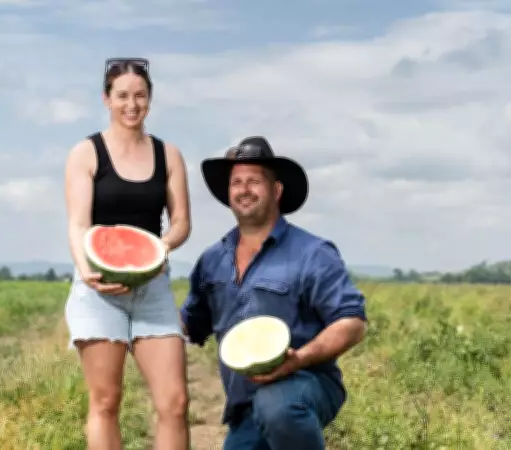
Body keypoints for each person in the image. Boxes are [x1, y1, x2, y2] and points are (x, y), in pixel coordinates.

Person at [179, 136, 368, 449]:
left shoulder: (312, 252)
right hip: (245, 408)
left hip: (305, 385)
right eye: (236, 182)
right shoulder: (212, 261)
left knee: (277, 405)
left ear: (276, 191)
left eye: (254, 181)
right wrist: (140, 298)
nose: (244, 189)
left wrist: (298, 359)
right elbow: (190, 323)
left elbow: (352, 322)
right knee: (263, 412)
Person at [63, 57, 191, 450]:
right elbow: (79, 225)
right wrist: (87, 271)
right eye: (122, 96)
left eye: (140, 95)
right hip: (99, 290)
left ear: (150, 99)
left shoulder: (168, 155)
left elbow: (182, 222)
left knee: (175, 403)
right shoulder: (86, 153)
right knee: (106, 401)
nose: (131, 104)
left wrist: (158, 248)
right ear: (106, 99)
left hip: (152, 290)